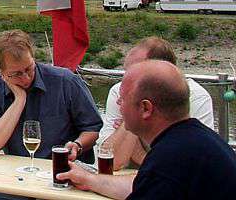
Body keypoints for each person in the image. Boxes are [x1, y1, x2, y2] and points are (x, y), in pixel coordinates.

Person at [58, 60, 236, 199]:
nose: (118, 104)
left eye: (123, 99)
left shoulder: (170, 158)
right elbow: (139, 185)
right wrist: (89, 179)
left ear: (146, 108)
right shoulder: (196, 140)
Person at [0, 30, 102, 200]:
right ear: (2, 72)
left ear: (33, 57)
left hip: (64, 177)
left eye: (29, 68)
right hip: (17, 177)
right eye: (16, 74)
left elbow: (92, 129)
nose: (26, 78)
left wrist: (78, 144)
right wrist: (19, 100)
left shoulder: (66, 81)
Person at [99, 36, 214, 171]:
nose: (125, 80)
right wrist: (132, 119)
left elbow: (186, 169)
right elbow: (111, 162)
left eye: (133, 73)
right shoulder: (121, 92)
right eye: (125, 72)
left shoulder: (195, 97)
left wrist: (136, 148)